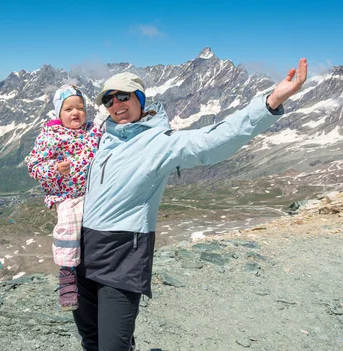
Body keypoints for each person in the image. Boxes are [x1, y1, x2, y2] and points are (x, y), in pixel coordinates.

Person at [73, 59, 308, 350]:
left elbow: (214, 140)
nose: (116, 104)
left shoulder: (160, 143)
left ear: (140, 98)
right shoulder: (103, 140)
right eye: (109, 100)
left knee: (113, 346)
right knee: (91, 338)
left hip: (122, 256)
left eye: (123, 96)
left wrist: (270, 103)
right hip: (84, 252)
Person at [27, 84, 104, 311]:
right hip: (66, 194)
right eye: (68, 109)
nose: (75, 113)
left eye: (80, 108)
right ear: (58, 113)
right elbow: (33, 166)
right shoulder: (50, 136)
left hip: (93, 191)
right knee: (69, 224)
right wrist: (54, 168)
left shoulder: (94, 131)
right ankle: (67, 274)